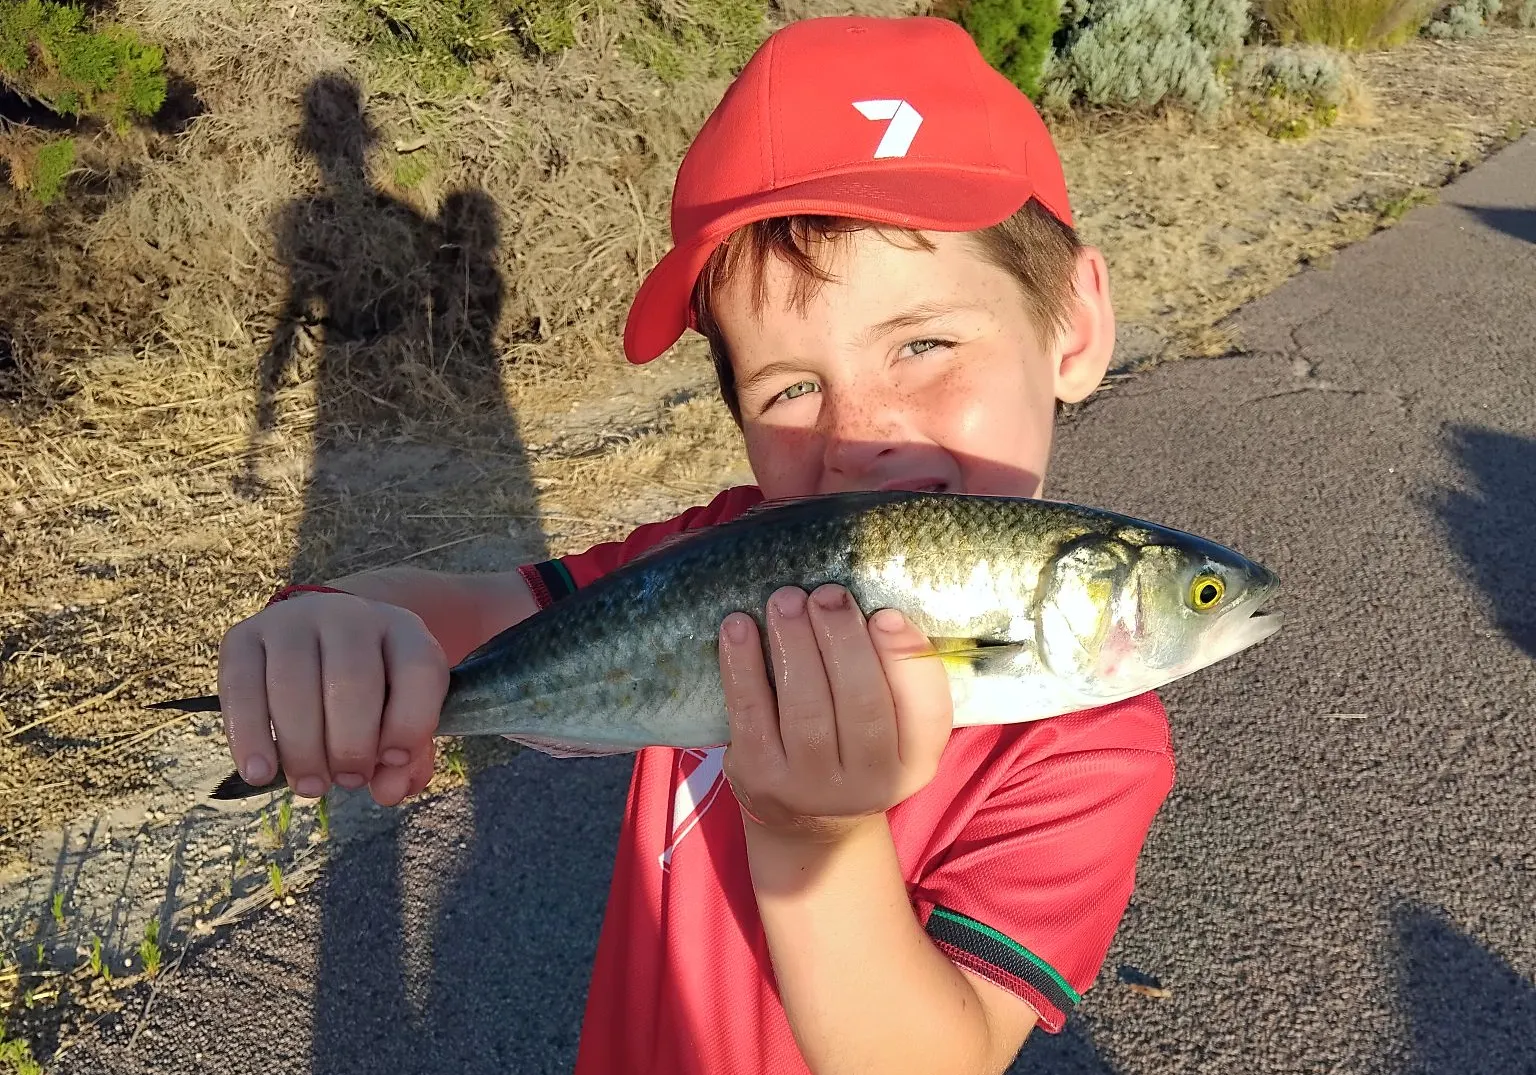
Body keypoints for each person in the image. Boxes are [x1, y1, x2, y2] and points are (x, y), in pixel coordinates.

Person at [215, 15, 1174, 1074]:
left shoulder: (1085, 742)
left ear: (1072, 326)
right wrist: (334, 622)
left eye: (925, 342)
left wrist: (819, 835)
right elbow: (478, 611)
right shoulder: (724, 550)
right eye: (794, 388)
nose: (859, 437)